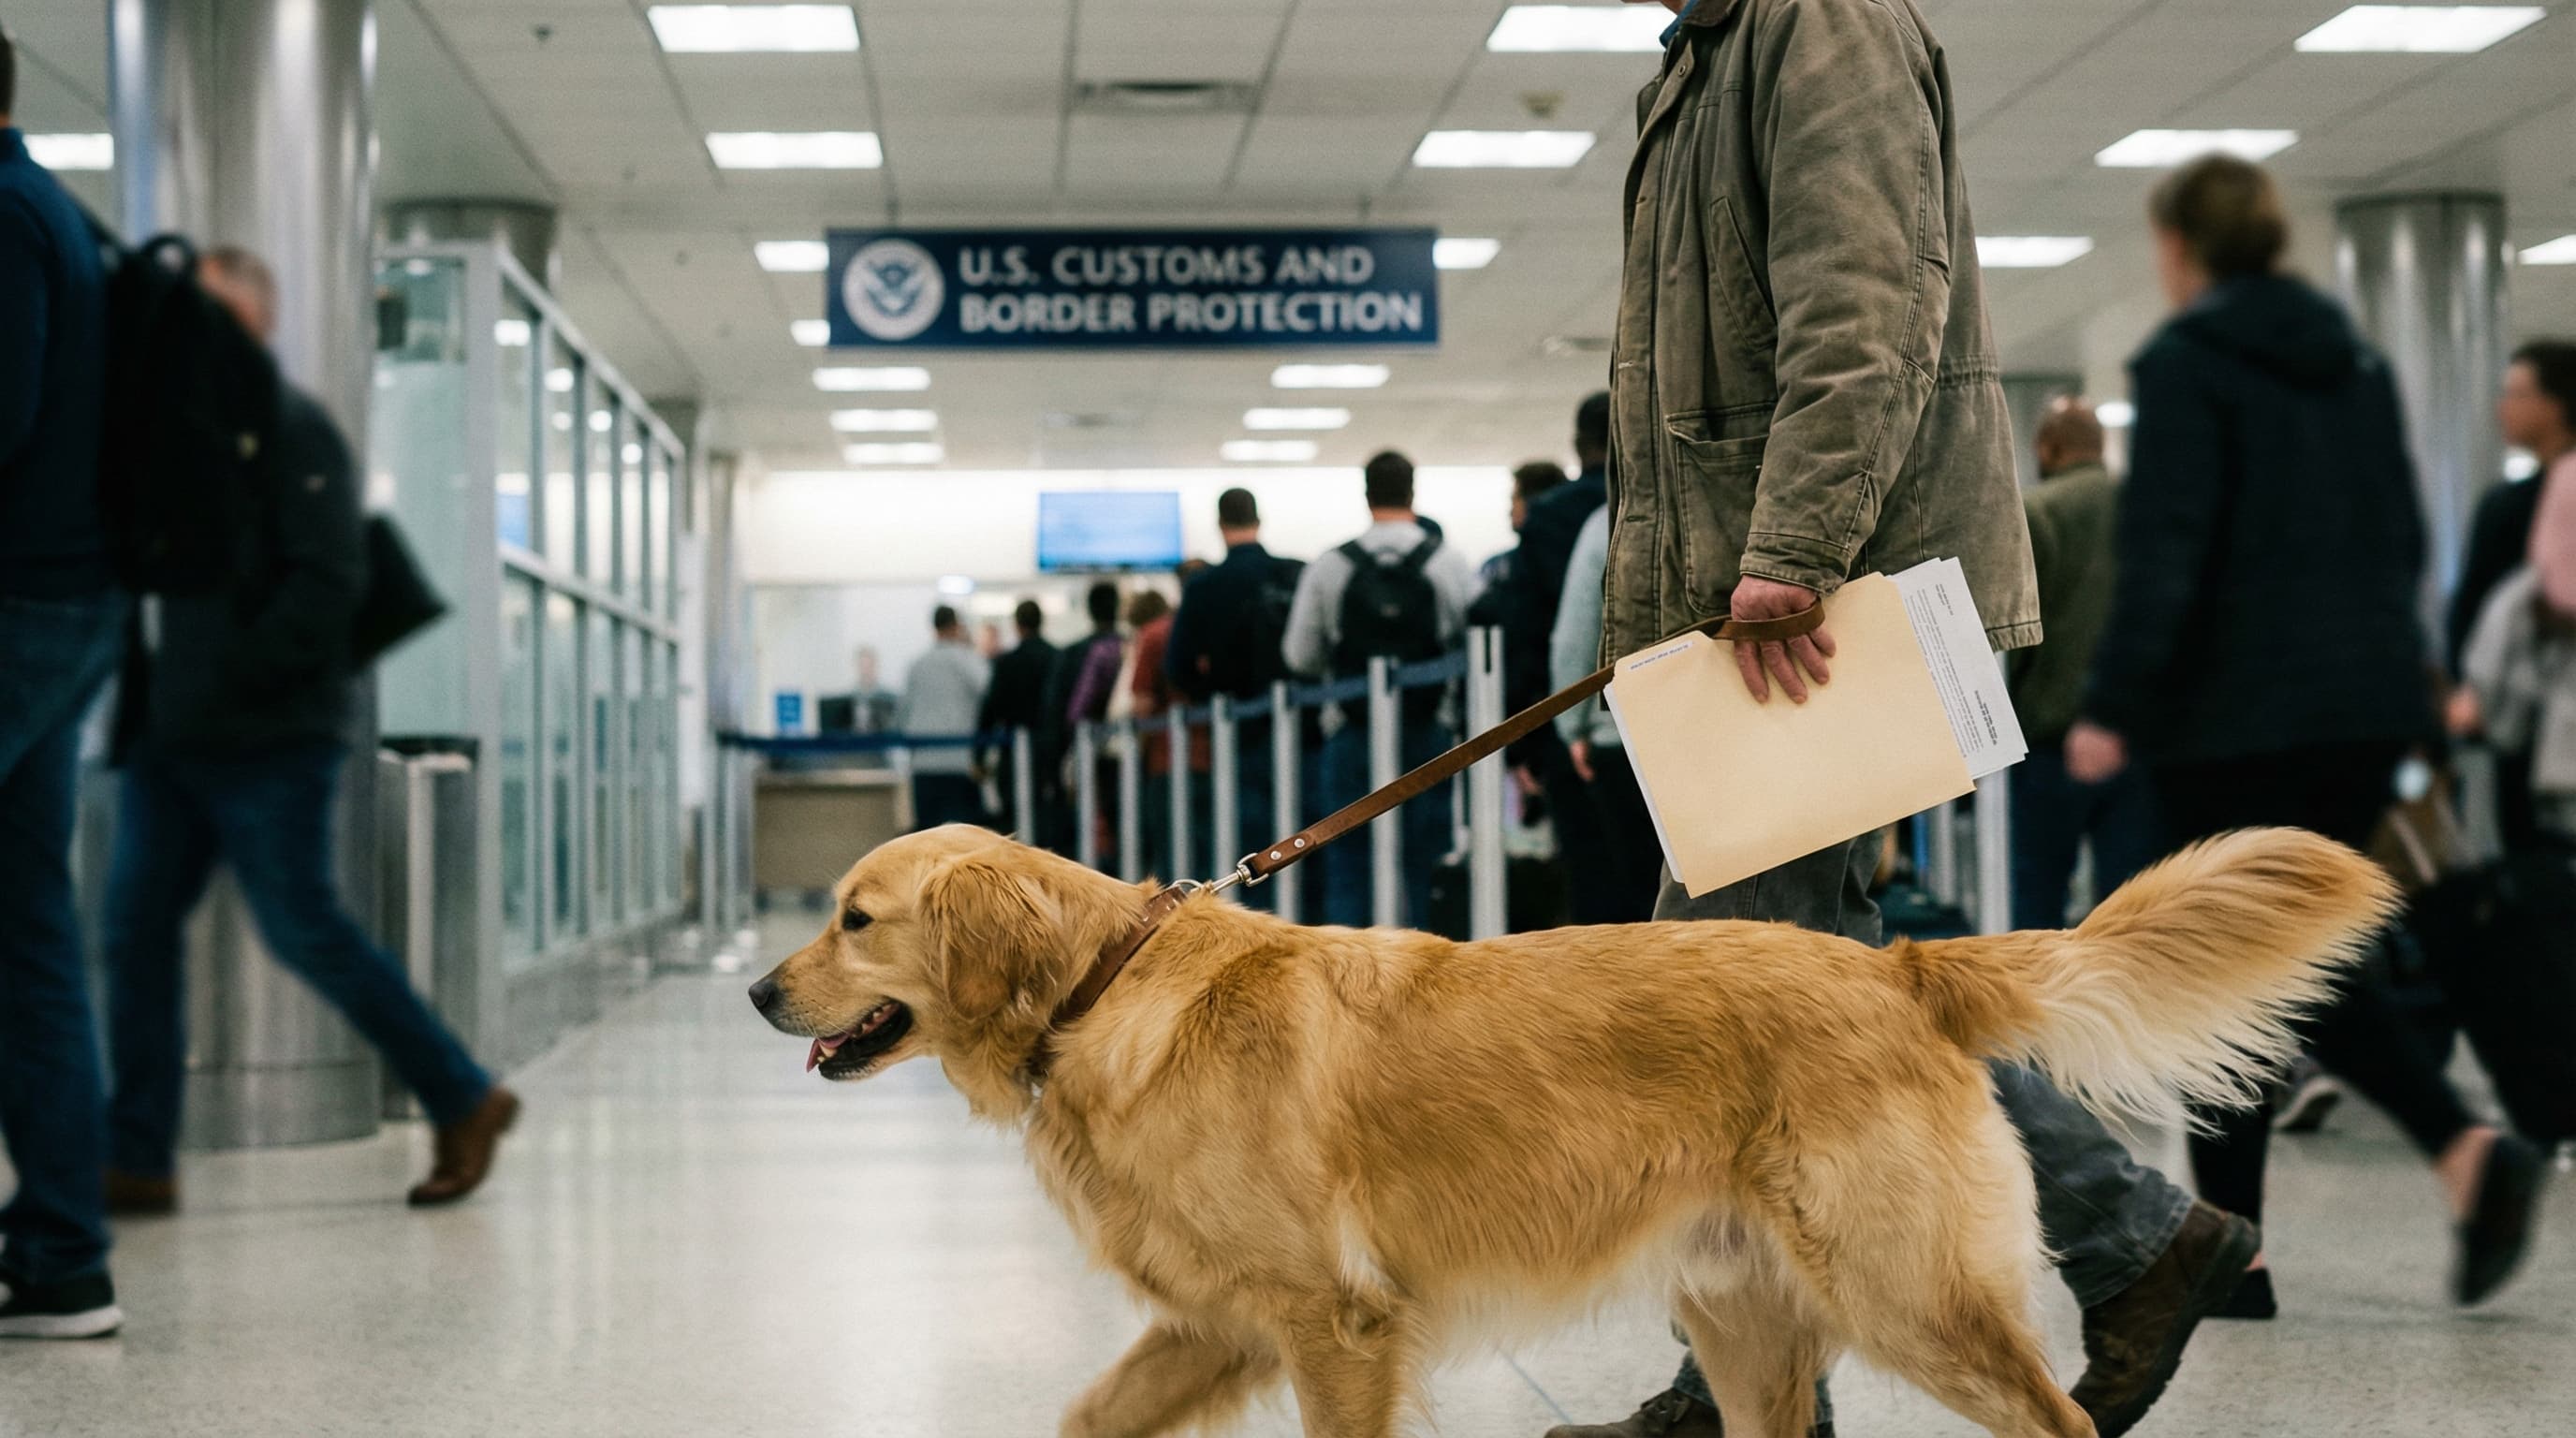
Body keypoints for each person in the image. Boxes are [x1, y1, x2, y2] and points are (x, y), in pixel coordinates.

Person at [1558, 6, 2256, 1436]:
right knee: (1805, 988)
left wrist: (1793, 548)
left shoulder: (1817, 23)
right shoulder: (1698, 63)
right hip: (1758, 611)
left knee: (1748, 999)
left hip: (1820, 612)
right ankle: (1775, 1371)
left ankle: (2110, 1251)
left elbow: (1866, 299)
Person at [2066, 154, 2549, 1317]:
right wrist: (2405, 680)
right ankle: (2254, 1245)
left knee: (2240, 963)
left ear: (2180, 247)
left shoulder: (2186, 364)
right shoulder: (2359, 365)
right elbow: (2396, 533)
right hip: (2364, 703)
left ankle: (2434, 1156)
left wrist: (2114, 704)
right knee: (2270, 959)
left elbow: (2169, 548)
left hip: (2236, 717)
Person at [100, 246, 519, 1217]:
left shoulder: (293, 434)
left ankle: (464, 1097)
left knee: (306, 930)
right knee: (132, 935)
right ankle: (137, 1153)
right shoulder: (171, 439)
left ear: (251, 327)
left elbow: (325, 592)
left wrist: (227, 684)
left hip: (270, 739)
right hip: (168, 740)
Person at [0, 34, 127, 1339]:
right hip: (66, 603)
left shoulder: (3, 211)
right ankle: (58, 1257)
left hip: (19, 601)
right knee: (30, 933)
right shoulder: (60, 213)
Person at [1281, 451, 1479, 929]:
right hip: (1428, 732)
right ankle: (1428, 982)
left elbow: (1299, 654)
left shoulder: (1332, 565)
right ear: (1413, 491)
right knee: (1424, 857)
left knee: (1348, 858)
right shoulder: (1447, 561)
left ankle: (1344, 984)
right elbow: (1473, 642)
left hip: (1351, 730)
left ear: (1367, 494)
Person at [2007, 399, 2159, 931]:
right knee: (2135, 910)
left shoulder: (2036, 511)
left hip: (2050, 741)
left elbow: (2017, 629)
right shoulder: (2149, 509)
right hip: (2136, 739)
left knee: (2039, 901)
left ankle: (2040, 1014)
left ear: (2047, 448)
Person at [1500, 394, 1632, 922]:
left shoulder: (1551, 519)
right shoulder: (1665, 504)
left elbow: (1542, 634)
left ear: (1578, 444)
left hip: (1576, 718)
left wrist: (1540, 739)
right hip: (1665, 713)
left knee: (1592, 878)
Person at [1167, 489, 1308, 903]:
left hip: (1238, 730)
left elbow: (1178, 667)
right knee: (1307, 835)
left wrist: (1213, 697)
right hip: (1304, 729)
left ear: (1219, 525)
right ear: (1259, 519)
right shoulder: (1295, 573)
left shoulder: (1204, 587)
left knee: (1252, 848)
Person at [1548, 506, 1664, 924]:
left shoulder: (1608, 522)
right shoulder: (1724, 502)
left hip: (1621, 733)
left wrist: (1572, 728)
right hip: (1703, 733)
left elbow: (1575, 635)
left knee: (1634, 893)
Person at [2449, 340, 2576, 671]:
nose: (2502, 407)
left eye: (2517, 395)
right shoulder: (2507, 501)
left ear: (2557, 404)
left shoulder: (2515, 505)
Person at [1130, 575, 1207, 881]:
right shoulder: (1211, 630)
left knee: (1170, 855)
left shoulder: (1155, 635)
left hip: (1167, 757)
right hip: (1217, 756)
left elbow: (1142, 701)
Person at [1041, 581, 1124, 858]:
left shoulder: (1075, 653)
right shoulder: (1128, 644)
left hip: (1087, 750)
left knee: (1087, 818)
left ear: (1089, 610)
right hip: (1131, 750)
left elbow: (1067, 708)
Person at [900, 605, 992, 830]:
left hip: (924, 765)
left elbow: (903, 714)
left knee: (928, 838)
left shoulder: (917, 665)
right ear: (956, 626)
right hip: (960, 764)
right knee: (964, 839)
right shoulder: (969, 661)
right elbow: (990, 697)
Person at [974, 599, 1060, 838]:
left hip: (1012, 751)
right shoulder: (1056, 657)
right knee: (1047, 817)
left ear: (1017, 626)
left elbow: (990, 710)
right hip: (1049, 750)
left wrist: (978, 755)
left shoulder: (1007, 663)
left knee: (1014, 820)